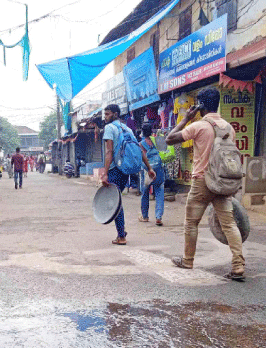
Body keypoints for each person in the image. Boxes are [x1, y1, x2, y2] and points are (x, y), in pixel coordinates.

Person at [165, 87, 245, 281]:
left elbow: (169, 139)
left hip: (202, 181)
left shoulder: (199, 126)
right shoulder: (228, 127)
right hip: (222, 181)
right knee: (229, 224)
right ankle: (238, 266)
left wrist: (185, 119)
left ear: (200, 104)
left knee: (191, 223)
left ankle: (188, 260)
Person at [100, 104, 155, 246]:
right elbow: (139, 150)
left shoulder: (109, 128)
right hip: (125, 169)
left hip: (115, 169)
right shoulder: (127, 129)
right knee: (117, 200)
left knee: (115, 201)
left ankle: (121, 235)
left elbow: (109, 152)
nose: (105, 117)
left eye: (107, 114)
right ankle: (121, 232)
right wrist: (149, 168)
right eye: (104, 114)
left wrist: (105, 173)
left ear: (116, 114)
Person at [138, 124, 169, 226]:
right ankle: (158, 217)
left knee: (145, 193)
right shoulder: (157, 140)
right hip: (159, 169)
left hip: (147, 171)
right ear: (152, 131)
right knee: (159, 192)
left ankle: (145, 216)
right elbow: (164, 152)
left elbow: (141, 158)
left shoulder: (141, 144)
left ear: (142, 132)